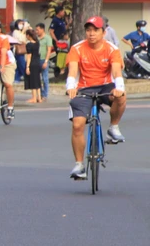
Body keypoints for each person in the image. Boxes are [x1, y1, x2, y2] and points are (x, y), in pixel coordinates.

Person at [65, 16, 126, 180]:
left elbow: (116, 72)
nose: (91, 34)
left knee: (121, 97)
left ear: (104, 32)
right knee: (77, 125)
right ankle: (79, 165)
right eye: (88, 30)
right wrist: (70, 86)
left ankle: (113, 128)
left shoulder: (112, 49)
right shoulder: (77, 48)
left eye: (95, 30)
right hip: (83, 88)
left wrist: (119, 88)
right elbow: (72, 70)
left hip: (105, 86)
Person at [35, 23, 54, 102]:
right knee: (37, 79)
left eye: (38, 29)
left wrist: (46, 61)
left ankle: (45, 94)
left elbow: (49, 50)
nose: (36, 31)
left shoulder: (47, 38)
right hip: (36, 59)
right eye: (36, 30)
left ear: (42, 29)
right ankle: (40, 94)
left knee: (45, 78)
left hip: (43, 60)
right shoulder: (36, 38)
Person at [24, 29, 42, 103]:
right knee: (37, 80)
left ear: (28, 35)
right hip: (38, 62)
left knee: (33, 80)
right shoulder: (37, 43)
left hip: (32, 63)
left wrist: (27, 67)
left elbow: (29, 56)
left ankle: (34, 98)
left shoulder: (29, 45)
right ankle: (39, 97)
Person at [10, 19, 27, 83]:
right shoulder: (15, 31)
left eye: (23, 24)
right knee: (22, 65)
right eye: (20, 23)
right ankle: (27, 77)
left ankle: (16, 79)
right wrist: (23, 32)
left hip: (23, 51)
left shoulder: (23, 32)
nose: (21, 25)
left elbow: (25, 40)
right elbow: (20, 40)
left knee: (19, 66)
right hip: (17, 50)